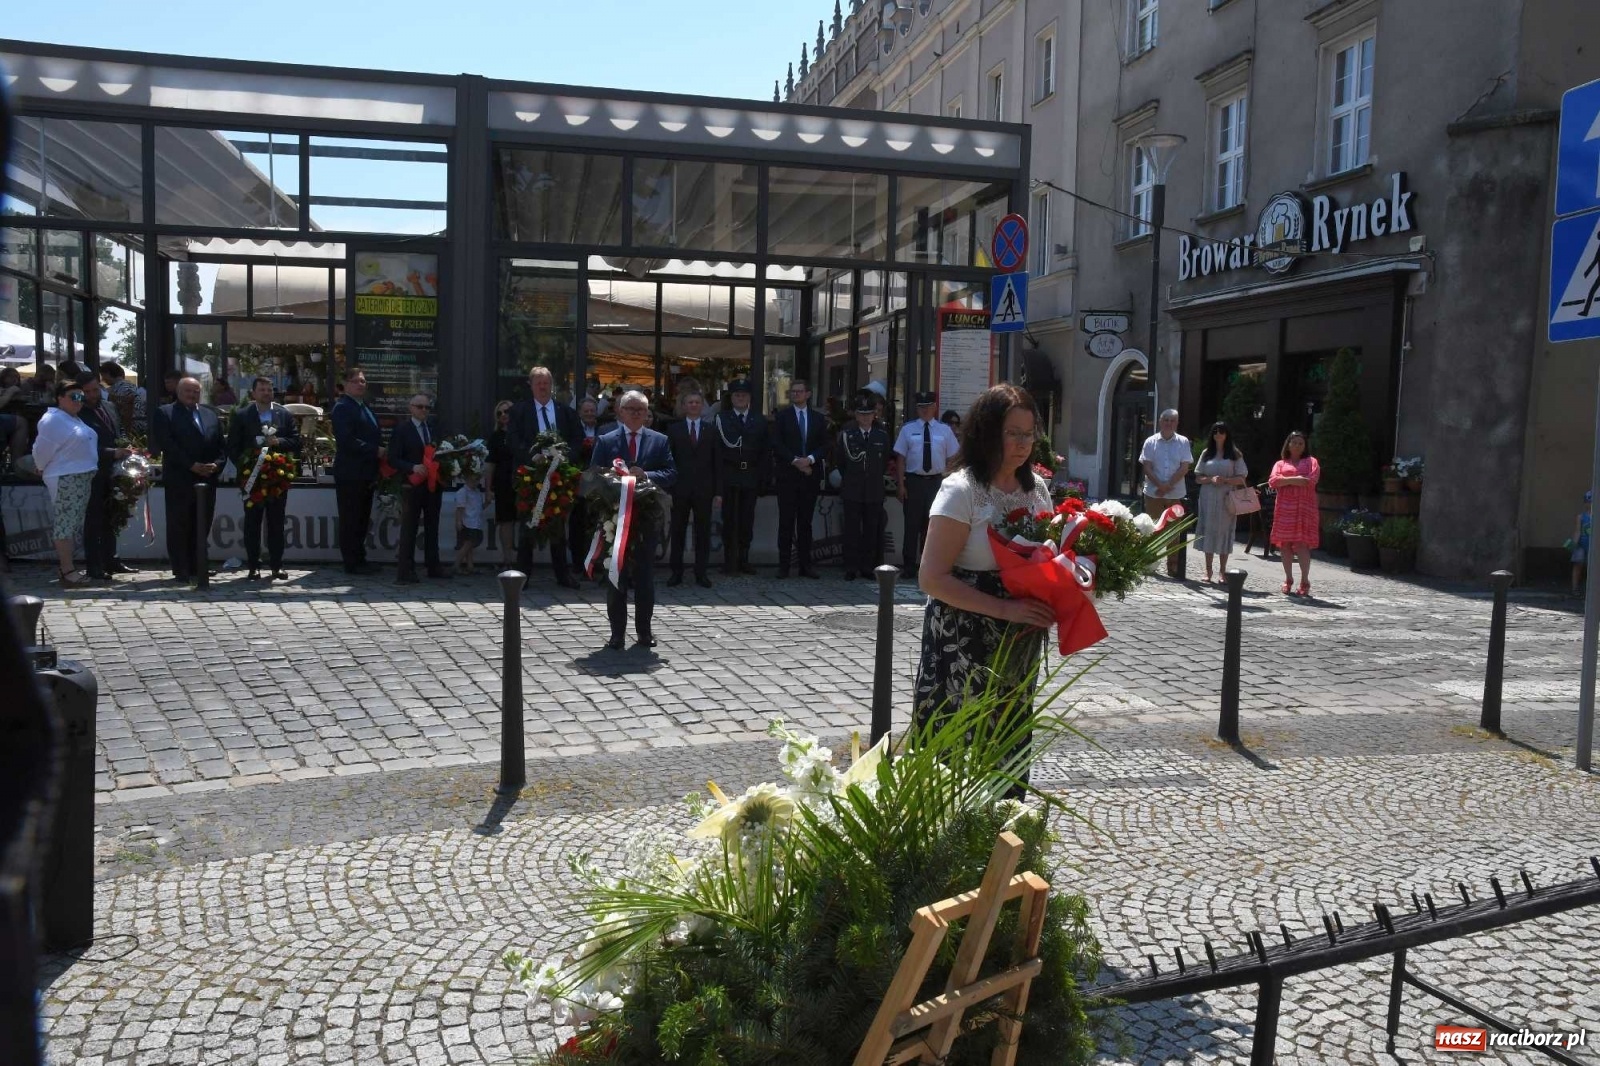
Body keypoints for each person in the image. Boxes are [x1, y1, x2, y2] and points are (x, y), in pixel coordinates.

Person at [913, 384, 1056, 776]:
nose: (1023, 443)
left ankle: (1006, 829)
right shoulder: (961, 490)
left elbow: (1050, 558)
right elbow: (931, 578)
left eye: (1029, 434)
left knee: (1007, 751)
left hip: (1017, 639)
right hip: (962, 636)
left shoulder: (1036, 489)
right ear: (988, 432)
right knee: (956, 756)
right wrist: (1004, 608)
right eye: (1013, 433)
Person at [592, 390, 676, 650]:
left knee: (644, 577)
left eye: (641, 409)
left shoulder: (659, 440)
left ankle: (644, 632)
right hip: (615, 519)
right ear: (620, 411)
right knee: (616, 575)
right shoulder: (606, 441)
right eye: (631, 409)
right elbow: (594, 475)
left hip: (647, 517)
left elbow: (671, 472)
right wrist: (616, 481)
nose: (637, 413)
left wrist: (646, 474)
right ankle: (617, 633)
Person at [510, 366, 583, 590]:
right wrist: (533, 457)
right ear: (531, 385)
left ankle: (563, 575)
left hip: (559, 476)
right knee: (527, 528)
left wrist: (563, 457)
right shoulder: (519, 411)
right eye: (538, 383)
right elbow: (513, 441)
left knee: (558, 527)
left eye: (546, 383)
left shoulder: (565, 412)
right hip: (531, 477)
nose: (543, 387)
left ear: (552, 386)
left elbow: (578, 440)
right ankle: (523, 576)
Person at [152, 376, 226, 585]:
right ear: (178, 391)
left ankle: (199, 565)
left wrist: (216, 465)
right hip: (180, 477)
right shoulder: (165, 413)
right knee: (180, 524)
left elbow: (221, 445)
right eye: (188, 391)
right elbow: (168, 444)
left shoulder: (209, 414)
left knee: (202, 523)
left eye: (196, 391)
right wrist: (191, 465)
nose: (192, 395)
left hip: (207, 478)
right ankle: (181, 568)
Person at [228, 376, 300, 581]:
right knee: (252, 523)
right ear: (253, 393)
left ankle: (277, 565)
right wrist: (246, 467)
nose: (267, 393)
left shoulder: (284, 414)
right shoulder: (242, 415)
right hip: (251, 479)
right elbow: (233, 446)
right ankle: (253, 566)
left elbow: (296, 441)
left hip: (277, 479)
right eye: (262, 390)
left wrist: (278, 441)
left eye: (269, 390)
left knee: (276, 523)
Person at [33, 380, 101, 587]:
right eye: (74, 397)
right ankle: (67, 569)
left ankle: (68, 567)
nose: (78, 401)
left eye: (81, 397)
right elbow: (41, 450)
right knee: (65, 525)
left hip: (79, 476)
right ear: (60, 398)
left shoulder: (72, 418)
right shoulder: (53, 420)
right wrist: (41, 466)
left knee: (71, 525)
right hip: (66, 477)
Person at [894, 391, 961, 581]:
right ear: (917, 409)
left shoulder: (944, 430)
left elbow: (953, 458)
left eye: (928, 406)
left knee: (932, 526)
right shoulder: (908, 429)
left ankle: (928, 565)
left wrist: (949, 483)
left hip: (936, 483)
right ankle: (908, 566)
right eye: (921, 407)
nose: (925, 410)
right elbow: (900, 458)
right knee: (911, 526)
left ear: (935, 408)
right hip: (914, 481)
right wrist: (901, 485)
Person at [78, 369, 133, 582]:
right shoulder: (79, 412)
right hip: (92, 471)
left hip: (113, 470)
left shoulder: (108, 406)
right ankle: (94, 565)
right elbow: (82, 446)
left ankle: (111, 559)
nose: (93, 395)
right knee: (94, 520)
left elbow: (118, 432)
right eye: (88, 392)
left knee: (113, 516)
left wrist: (125, 446)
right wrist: (112, 452)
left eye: (96, 389)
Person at [772, 378, 827, 578]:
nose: (796, 394)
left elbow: (825, 445)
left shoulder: (818, 419)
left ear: (808, 394)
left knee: (805, 523)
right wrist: (795, 460)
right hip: (788, 476)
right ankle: (784, 566)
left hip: (810, 477)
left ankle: (806, 565)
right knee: (786, 522)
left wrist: (810, 460)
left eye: (799, 391)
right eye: (793, 392)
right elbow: (777, 444)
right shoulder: (782, 417)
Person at [331, 368, 383, 575]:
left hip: (366, 472)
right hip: (350, 472)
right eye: (356, 381)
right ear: (345, 384)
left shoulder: (363, 405)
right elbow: (347, 441)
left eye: (363, 381)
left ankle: (360, 557)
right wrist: (374, 450)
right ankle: (351, 562)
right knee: (350, 518)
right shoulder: (343, 407)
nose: (361, 384)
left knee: (362, 518)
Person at [714, 378, 768, 575]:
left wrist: (763, 479)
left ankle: (743, 559)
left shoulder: (759, 419)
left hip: (750, 474)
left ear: (749, 398)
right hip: (729, 473)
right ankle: (729, 561)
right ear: (732, 397)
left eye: (743, 395)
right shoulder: (722, 418)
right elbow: (718, 452)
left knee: (747, 519)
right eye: (737, 395)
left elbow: (764, 452)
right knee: (729, 519)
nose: (740, 398)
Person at [390, 393, 446, 584]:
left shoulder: (433, 428)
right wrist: (412, 467)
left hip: (432, 484)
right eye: (420, 407)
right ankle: (406, 570)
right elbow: (393, 458)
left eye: (427, 407)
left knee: (432, 526)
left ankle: (433, 566)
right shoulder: (402, 430)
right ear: (411, 408)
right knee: (409, 528)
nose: (424, 410)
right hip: (412, 484)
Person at [666, 389, 718, 588]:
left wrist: (718, 492)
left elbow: (717, 463)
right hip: (680, 489)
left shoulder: (710, 430)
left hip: (704, 490)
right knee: (678, 531)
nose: (694, 405)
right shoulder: (674, 430)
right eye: (690, 402)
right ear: (684, 406)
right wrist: (669, 489)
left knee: (702, 533)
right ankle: (676, 572)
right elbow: (669, 461)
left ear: (702, 405)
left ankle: (701, 572)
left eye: (697, 402)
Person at [836, 396, 890, 581]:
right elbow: (841, 462)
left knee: (871, 530)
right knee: (851, 530)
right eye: (862, 414)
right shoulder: (847, 434)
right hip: (852, 489)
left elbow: (883, 463)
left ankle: (868, 567)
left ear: (874, 415)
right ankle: (850, 567)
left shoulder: (881, 436)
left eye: (869, 414)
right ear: (856, 416)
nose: (866, 418)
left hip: (873, 490)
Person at [1193, 420, 1248, 584]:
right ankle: (1208, 569)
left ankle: (1223, 571)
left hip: (1226, 497)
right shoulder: (1206, 453)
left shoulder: (1235, 453)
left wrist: (1225, 480)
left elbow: (1242, 477)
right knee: (1208, 529)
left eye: (1221, 431)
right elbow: (1198, 477)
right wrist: (1210, 479)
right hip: (1208, 496)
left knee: (1224, 531)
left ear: (1227, 434)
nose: (1218, 434)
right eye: (1215, 431)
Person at [1268, 430, 1321, 597]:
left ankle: (1305, 580)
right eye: (1294, 442)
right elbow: (1273, 481)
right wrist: (1296, 479)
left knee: (1302, 544)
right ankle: (1288, 578)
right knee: (1285, 544)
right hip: (1285, 509)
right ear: (1288, 444)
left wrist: (1287, 480)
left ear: (1305, 446)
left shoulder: (1311, 461)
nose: (1297, 445)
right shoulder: (1280, 463)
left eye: (1301, 443)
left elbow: (1311, 481)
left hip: (1305, 508)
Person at [1140, 409, 1192, 579]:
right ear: (1160, 422)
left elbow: (1185, 467)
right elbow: (1146, 466)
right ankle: (1149, 564)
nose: (1169, 423)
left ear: (1177, 423)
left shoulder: (1183, 442)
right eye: (1166, 420)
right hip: (1153, 493)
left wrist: (1168, 485)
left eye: (1172, 420)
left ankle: (1173, 568)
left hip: (1175, 494)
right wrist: (1159, 485)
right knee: (1151, 529)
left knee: (1174, 533)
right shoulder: (1150, 441)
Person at [569, 397, 604, 570]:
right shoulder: (574, 429)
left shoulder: (602, 429)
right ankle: (578, 562)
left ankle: (595, 561)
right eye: (586, 411)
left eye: (592, 411)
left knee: (597, 523)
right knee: (578, 523)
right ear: (580, 413)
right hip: (579, 482)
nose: (590, 414)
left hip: (599, 483)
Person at [486, 400, 518, 567]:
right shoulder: (495, 437)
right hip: (503, 483)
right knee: (505, 522)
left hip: (522, 481)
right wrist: (488, 489)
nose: (504, 415)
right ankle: (508, 559)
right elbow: (490, 464)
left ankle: (524, 559)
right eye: (500, 413)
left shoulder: (522, 433)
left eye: (506, 411)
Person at [98, 361, 145, 433]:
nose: (102, 379)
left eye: (102, 375)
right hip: (140, 426)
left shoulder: (116, 390)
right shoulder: (131, 386)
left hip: (130, 429)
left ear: (107, 373)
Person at [455, 469, 486, 576]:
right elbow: (460, 508)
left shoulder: (477, 492)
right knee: (467, 545)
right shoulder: (462, 492)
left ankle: (470, 566)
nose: (476, 482)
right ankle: (456, 565)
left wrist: (487, 502)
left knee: (469, 547)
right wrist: (458, 521)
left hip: (475, 522)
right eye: (474, 480)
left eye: (478, 480)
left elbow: (479, 507)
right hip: (467, 522)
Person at [1572, 491, 1593, 597]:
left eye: (1591, 501)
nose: (1589, 504)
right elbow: (1578, 531)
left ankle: (1591, 590)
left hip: (1594, 546)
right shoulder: (1581, 517)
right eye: (1587, 501)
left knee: (1593, 568)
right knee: (1578, 565)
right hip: (1581, 544)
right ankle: (1575, 588)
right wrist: (1574, 544)